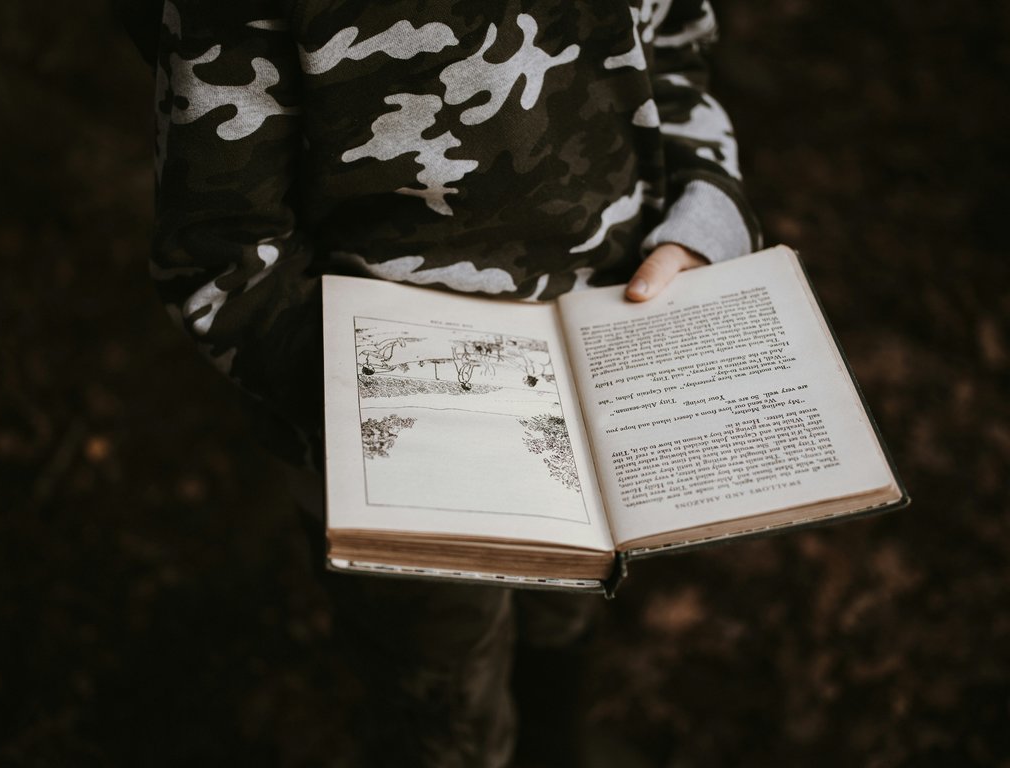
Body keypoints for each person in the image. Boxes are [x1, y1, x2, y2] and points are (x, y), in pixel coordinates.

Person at [124, 0, 760, 764]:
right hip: (394, 452)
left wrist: (704, 224)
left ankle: (555, 739)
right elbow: (221, 258)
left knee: (569, 616)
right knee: (443, 701)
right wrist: (391, 425)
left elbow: (678, 65)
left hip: (605, 385)